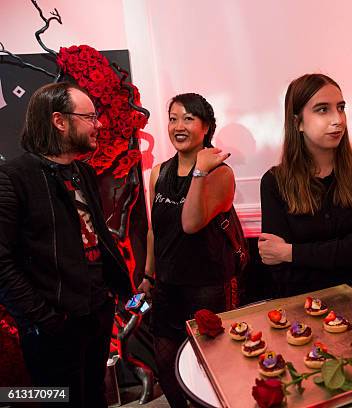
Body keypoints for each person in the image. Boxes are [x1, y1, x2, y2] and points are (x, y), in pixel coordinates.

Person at [0, 82, 132, 407]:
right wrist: (44, 320)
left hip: (96, 316)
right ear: (59, 121)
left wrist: (112, 298)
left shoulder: (83, 172)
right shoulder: (13, 178)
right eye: (89, 116)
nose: (99, 124)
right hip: (53, 330)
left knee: (94, 396)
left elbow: (95, 238)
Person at [138, 93, 233, 408]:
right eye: (173, 118)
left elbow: (191, 223)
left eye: (188, 118)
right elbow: (156, 230)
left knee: (210, 366)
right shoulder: (159, 172)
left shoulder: (220, 172)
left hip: (206, 286)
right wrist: (149, 275)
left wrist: (199, 172)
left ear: (206, 127)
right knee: (166, 364)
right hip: (167, 286)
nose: (178, 126)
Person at [259, 73, 352, 298]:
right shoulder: (275, 182)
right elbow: (279, 269)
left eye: (341, 108)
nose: (338, 120)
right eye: (323, 109)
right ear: (297, 122)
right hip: (303, 312)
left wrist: (291, 252)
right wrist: (339, 258)